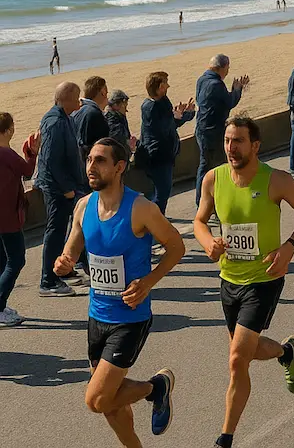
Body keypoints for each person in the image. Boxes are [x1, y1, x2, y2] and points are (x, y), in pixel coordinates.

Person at [193, 116, 294, 448]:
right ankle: (286, 352)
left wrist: (289, 248)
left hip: (264, 279)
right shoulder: (213, 179)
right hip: (228, 279)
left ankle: (225, 437)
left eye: (238, 141)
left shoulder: (275, 180)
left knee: (236, 359)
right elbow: (199, 221)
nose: (231, 148)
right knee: (243, 352)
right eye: (227, 141)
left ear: (255, 145)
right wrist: (208, 242)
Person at [54, 138, 184, 447]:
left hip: (130, 316)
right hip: (96, 316)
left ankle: (156, 387)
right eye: (89, 160)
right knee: (112, 408)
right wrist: (65, 262)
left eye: (100, 160)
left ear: (119, 167)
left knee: (97, 399)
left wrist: (149, 281)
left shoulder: (140, 208)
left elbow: (176, 246)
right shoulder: (84, 206)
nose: (91, 167)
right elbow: (73, 247)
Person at [35, 81, 89, 295]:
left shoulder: (65, 117)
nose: (80, 100)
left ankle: (65, 270)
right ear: (66, 98)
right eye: (77, 96)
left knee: (75, 226)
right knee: (56, 232)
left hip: (69, 185)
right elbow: (51, 161)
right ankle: (48, 281)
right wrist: (66, 188)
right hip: (57, 188)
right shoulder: (55, 121)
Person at [139, 72, 195, 237]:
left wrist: (186, 115)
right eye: (165, 84)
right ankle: (151, 227)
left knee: (161, 192)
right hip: (157, 156)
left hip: (166, 154)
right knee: (162, 193)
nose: (168, 87)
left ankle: (151, 223)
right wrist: (175, 116)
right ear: (158, 87)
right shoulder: (150, 107)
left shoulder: (163, 102)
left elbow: (171, 124)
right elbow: (160, 129)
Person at [195, 55, 249, 206]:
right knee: (217, 167)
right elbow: (230, 102)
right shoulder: (216, 84)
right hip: (212, 131)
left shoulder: (202, 80)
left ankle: (201, 201)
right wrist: (237, 90)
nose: (228, 71)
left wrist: (233, 90)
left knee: (204, 165)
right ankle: (209, 201)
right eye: (227, 68)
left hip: (201, 129)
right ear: (222, 68)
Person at [0, 112, 38, 325]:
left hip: (2, 216)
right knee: (16, 260)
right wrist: (32, 152)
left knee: (2, 261)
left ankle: (1, 304)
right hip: (8, 217)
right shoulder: (6, 153)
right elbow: (27, 170)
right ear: (9, 130)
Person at [72, 76, 111, 162]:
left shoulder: (75, 110)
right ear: (103, 92)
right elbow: (102, 146)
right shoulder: (94, 114)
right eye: (106, 93)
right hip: (88, 164)